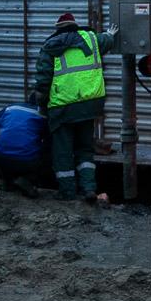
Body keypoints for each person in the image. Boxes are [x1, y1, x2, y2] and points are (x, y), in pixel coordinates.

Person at [33, 12, 117, 202]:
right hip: (88, 106)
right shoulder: (91, 39)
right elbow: (107, 40)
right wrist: (111, 34)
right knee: (85, 149)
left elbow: (43, 82)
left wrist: (41, 107)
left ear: (57, 30)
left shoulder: (49, 46)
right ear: (75, 26)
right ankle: (89, 189)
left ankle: (68, 193)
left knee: (62, 153)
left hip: (62, 108)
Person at [0, 92, 48, 198]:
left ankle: (7, 182)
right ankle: (26, 180)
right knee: (47, 149)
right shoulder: (43, 115)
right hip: (26, 162)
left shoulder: (11, 108)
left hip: (0, 158)